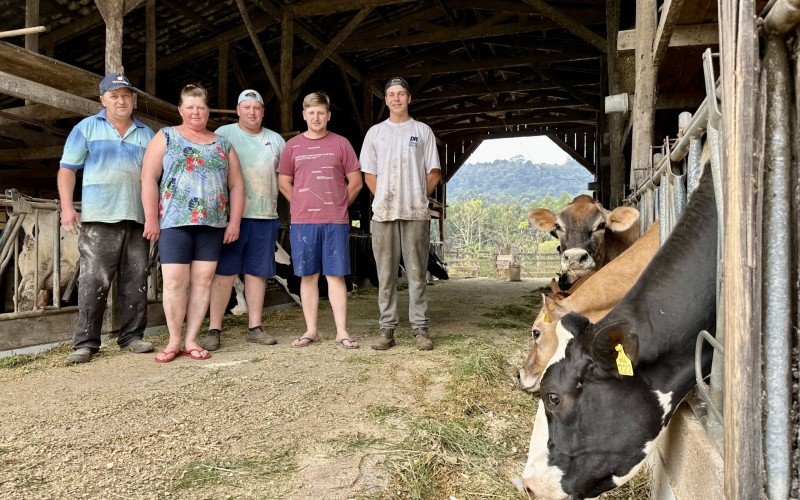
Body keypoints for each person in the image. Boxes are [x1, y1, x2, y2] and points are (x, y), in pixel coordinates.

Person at [141, 83, 244, 363]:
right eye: (190, 107)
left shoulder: (222, 143)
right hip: (174, 221)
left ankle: (192, 339)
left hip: (212, 224)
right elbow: (149, 178)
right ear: (181, 110)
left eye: (200, 107)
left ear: (207, 110)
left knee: (203, 281)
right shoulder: (166, 136)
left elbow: (236, 185)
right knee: (175, 281)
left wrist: (233, 221)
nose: (196, 112)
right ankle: (174, 340)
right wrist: (152, 217)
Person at [59, 73, 156, 364]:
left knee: (136, 280)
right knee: (93, 281)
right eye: (114, 95)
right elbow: (67, 169)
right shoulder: (86, 128)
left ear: (133, 100)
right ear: (102, 100)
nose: (121, 100)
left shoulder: (147, 134)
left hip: (137, 218)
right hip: (100, 217)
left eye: (126, 95)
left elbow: (155, 178)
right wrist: (67, 207)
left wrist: (155, 215)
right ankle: (86, 343)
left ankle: (132, 337)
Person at [197, 89, 286, 351]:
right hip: (230, 217)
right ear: (238, 110)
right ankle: (214, 328)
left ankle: (255, 327)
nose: (252, 112)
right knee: (224, 273)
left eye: (256, 108)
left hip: (265, 214)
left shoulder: (276, 140)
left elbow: (288, 176)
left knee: (258, 273)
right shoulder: (224, 134)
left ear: (262, 112)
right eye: (246, 107)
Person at [359, 77, 441, 351]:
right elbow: (369, 173)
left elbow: (434, 172)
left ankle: (420, 329)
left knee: (417, 273)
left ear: (409, 98)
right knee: (386, 274)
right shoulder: (375, 133)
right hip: (383, 213)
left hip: (415, 213)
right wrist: (382, 195)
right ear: (386, 100)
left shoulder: (421, 131)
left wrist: (418, 195)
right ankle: (387, 330)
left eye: (401, 94)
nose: (396, 99)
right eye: (391, 94)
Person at [277, 92, 362, 349]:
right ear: (304, 115)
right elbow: (283, 182)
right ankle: (311, 330)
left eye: (321, 113)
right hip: (303, 222)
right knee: (308, 275)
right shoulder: (292, 146)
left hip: (335, 221)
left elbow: (356, 182)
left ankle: (342, 331)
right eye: (311, 113)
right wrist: (302, 204)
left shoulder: (341, 144)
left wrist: (337, 206)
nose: (316, 117)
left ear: (328, 116)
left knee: (336, 276)